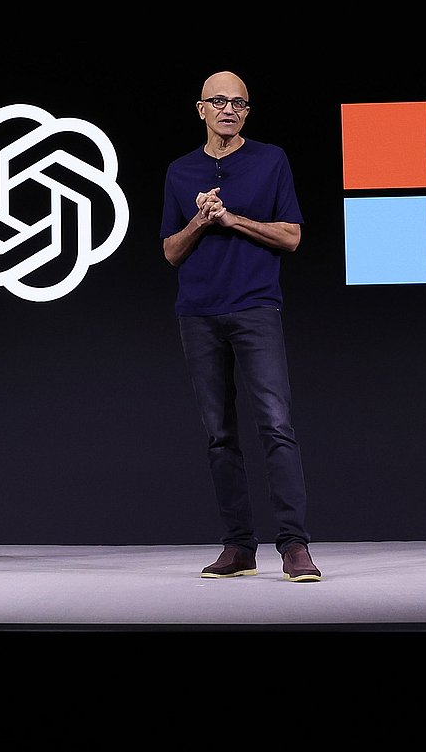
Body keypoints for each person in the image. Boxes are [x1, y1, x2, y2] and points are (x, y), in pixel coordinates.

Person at [160, 70, 321, 582]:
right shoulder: (180, 172)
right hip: (199, 313)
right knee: (219, 435)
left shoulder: (270, 160)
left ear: (247, 112)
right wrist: (199, 222)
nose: (229, 109)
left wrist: (232, 220)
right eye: (219, 101)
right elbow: (170, 251)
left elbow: (292, 236)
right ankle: (238, 547)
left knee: (276, 425)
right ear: (201, 108)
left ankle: (294, 546)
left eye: (240, 103)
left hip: (255, 308)